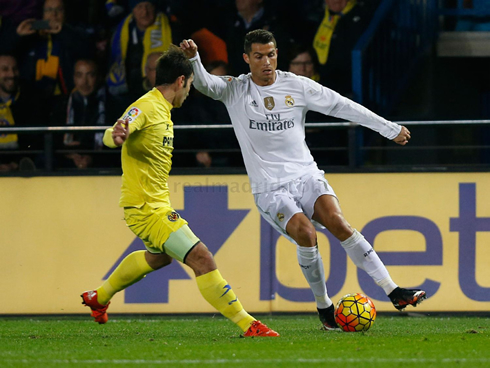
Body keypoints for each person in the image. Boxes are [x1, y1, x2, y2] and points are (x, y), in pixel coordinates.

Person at [180, 30, 426, 331]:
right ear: (247, 59)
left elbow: (342, 105)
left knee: (338, 222)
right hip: (270, 188)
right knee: (307, 235)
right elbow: (205, 84)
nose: (266, 62)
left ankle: (393, 291)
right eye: (259, 56)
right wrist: (194, 59)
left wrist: (388, 128)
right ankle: (324, 306)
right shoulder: (236, 90)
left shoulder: (296, 85)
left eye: (271, 54)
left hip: (306, 174)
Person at [81, 45, 279, 338]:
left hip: (152, 204)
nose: (189, 92)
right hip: (146, 207)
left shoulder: (163, 109)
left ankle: (98, 297)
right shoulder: (147, 106)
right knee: (202, 258)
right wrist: (116, 135)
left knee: (158, 257)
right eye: (190, 85)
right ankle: (248, 324)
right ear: (180, 81)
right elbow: (116, 130)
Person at [311, 0, 374, 97]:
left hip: (345, 78)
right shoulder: (321, 15)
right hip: (320, 74)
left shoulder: (361, 15)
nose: (332, 1)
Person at [61, 59, 106, 169]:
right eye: (79, 75)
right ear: (74, 78)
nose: (84, 82)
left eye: (90, 75)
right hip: (66, 165)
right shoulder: (61, 105)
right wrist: (68, 153)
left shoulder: (112, 106)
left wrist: (92, 157)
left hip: (101, 165)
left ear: (98, 77)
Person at [0, 53, 41, 171]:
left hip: (21, 166)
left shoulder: (31, 98)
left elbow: (35, 140)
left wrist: (15, 164)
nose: (11, 74)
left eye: (15, 69)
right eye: (5, 69)